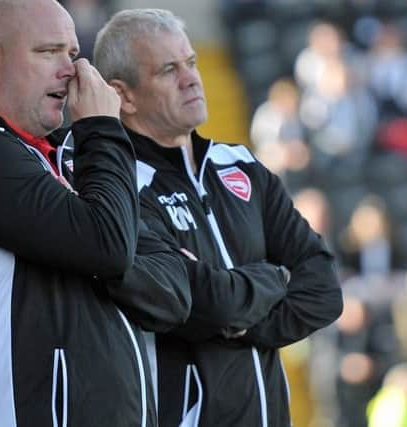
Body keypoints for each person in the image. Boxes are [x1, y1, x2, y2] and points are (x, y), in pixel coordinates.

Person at [0, 1, 191, 426]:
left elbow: (174, 294)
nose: (72, 70)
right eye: (48, 52)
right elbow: (109, 246)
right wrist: (100, 128)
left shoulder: (69, 159)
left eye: (72, 53)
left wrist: (101, 247)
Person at [94, 9, 344, 426]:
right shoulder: (117, 187)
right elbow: (203, 304)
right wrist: (274, 279)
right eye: (169, 70)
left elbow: (324, 289)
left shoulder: (241, 165)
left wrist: (244, 324)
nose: (191, 77)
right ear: (124, 96)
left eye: (191, 62)